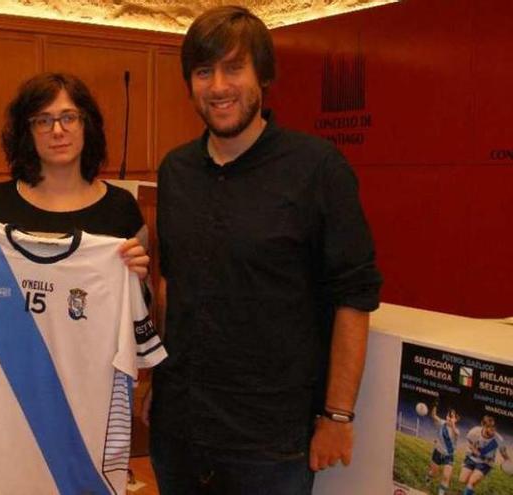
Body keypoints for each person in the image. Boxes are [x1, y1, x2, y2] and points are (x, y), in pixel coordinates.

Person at [146, 6, 383, 494]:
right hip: (180, 428)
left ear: (263, 76)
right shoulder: (175, 172)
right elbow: (172, 288)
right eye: (203, 71)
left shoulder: (317, 168)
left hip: (270, 442)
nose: (218, 87)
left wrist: (337, 415)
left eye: (234, 68)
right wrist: (155, 383)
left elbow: (354, 297)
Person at [0, 72, 149, 276]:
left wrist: (137, 277)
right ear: (27, 132)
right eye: (43, 121)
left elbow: (141, 299)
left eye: (69, 117)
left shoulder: (122, 207)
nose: (58, 130)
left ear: (86, 124)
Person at [459, 415, 509, 495]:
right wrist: (472, 449)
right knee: (462, 480)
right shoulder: (475, 431)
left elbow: (504, 453)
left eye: (493, 426)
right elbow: (469, 441)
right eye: (489, 427)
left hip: (485, 463)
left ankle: (468, 491)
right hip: (471, 458)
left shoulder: (498, 439)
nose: (492, 429)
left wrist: (508, 461)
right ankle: (470, 492)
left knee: (471, 482)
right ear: (483, 425)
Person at [426, 403, 459, 495]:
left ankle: (440, 493)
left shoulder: (456, 430)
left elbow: (456, 433)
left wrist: (452, 424)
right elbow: (433, 415)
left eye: (452, 417)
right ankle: (428, 478)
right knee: (433, 472)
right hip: (438, 452)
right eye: (448, 415)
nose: (449, 418)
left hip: (449, 456)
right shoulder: (442, 422)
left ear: (456, 419)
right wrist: (435, 405)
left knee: (446, 477)